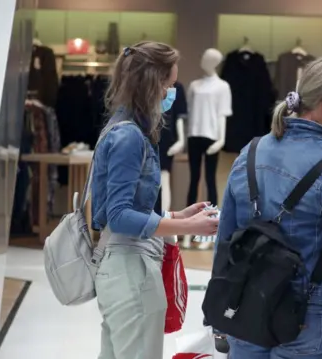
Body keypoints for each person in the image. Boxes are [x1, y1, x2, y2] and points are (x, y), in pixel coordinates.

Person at [217, 56, 322, 359]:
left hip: (246, 307)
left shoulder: (250, 153)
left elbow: (226, 240)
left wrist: (221, 309)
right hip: (308, 319)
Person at [91, 41, 219, 359]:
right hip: (129, 267)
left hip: (124, 264)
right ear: (152, 83)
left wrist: (177, 215)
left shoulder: (126, 130)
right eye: (169, 85)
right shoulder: (129, 136)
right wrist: (186, 224)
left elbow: (123, 207)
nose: (170, 93)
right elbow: (118, 215)